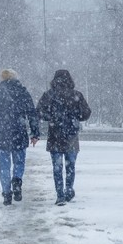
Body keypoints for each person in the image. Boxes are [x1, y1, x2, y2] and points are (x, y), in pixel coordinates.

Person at [0, 69, 40, 205]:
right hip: (19, 133)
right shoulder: (23, 93)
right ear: (16, 78)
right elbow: (32, 114)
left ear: (2, 79)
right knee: (19, 162)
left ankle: (7, 193)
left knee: (4, 165)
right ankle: (17, 180)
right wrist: (35, 133)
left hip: (0, 134)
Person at [36, 69, 91, 206]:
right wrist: (75, 116)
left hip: (55, 134)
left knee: (57, 166)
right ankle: (69, 189)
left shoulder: (49, 95)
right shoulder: (76, 95)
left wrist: (51, 117)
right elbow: (86, 113)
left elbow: (39, 112)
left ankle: (60, 194)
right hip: (71, 134)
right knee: (70, 165)